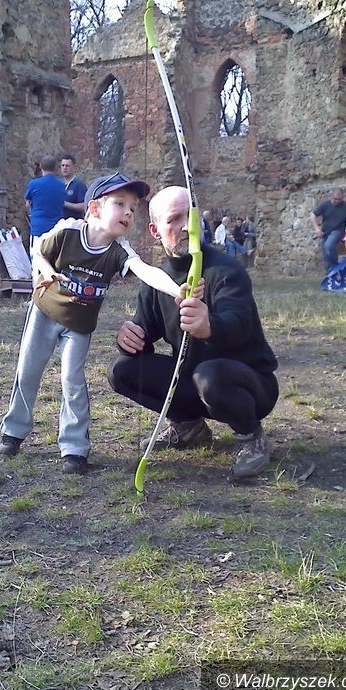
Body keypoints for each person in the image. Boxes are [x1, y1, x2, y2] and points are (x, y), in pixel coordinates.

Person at [0, 173, 201, 475]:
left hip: (78, 326)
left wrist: (177, 290)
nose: (128, 212)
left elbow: (145, 271)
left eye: (132, 208)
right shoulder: (68, 230)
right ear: (94, 208)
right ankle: (13, 432)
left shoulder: (119, 250)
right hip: (43, 313)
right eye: (120, 204)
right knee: (27, 372)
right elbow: (38, 250)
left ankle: (74, 449)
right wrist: (47, 270)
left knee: (72, 381)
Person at [108, 186, 279, 478]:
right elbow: (144, 333)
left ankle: (252, 436)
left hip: (249, 385)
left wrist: (209, 326)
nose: (187, 226)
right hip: (194, 381)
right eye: (174, 219)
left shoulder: (225, 270)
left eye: (191, 216)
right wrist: (129, 339)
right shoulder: (157, 280)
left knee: (209, 376)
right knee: (121, 371)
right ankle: (188, 427)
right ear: (155, 230)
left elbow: (239, 323)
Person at [24, 154, 65, 253]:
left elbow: (27, 203)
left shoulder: (33, 184)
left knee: (36, 258)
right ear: (55, 168)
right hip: (57, 230)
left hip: (38, 229)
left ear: (41, 167)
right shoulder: (61, 185)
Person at [61, 154, 88, 220]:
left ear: (74, 167)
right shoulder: (59, 184)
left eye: (67, 166)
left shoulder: (79, 185)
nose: (65, 168)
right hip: (59, 223)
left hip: (74, 223)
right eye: (63, 165)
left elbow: (84, 206)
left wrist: (65, 204)